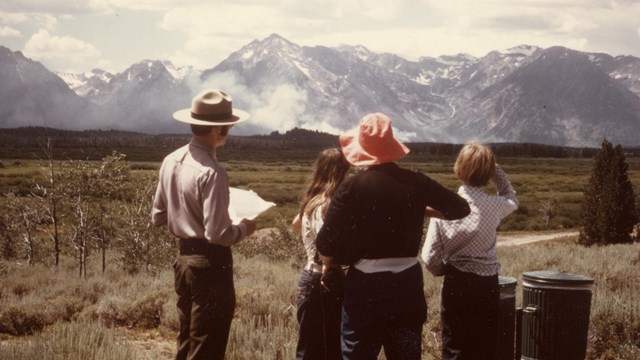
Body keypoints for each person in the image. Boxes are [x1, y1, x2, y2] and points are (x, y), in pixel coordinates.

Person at [315, 113, 471, 360]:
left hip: (365, 287)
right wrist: (419, 208)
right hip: (407, 284)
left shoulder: (352, 187)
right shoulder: (416, 182)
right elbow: (461, 208)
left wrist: (327, 263)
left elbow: (324, 243)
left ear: (362, 150)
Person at [151, 89, 257, 360]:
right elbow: (217, 233)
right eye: (229, 125)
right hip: (211, 264)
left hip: (183, 260)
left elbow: (158, 216)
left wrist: (186, 214)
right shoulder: (213, 171)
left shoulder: (170, 160)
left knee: (186, 339)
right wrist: (245, 228)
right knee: (207, 345)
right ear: (219, 129)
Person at [421, 141, 519, 360]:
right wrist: (496, 171)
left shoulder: (444, 207)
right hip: (487, 283)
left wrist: (442, 270)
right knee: (484, 345)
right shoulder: (494, 205)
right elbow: (512, 199)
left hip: (457, 281)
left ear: (459, 168)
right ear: (488, 173)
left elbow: (429, 255)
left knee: (454, 344)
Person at [292, 147, 351, 360]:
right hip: (325, 279)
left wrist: (309, 244)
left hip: (311, 277)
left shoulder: (312, 199)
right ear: (340, 172)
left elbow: (296, 224)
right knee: (329, 347)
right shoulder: (328, 204)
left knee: (309, 347)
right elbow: (326, 242)